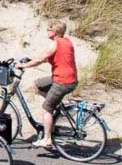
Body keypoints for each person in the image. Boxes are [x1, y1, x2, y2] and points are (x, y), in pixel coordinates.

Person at [15, 21, 78, 149]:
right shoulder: (67, 42)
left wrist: (23, 65)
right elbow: (45, 58)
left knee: (47, 108)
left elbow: (40, 59)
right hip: (69, 79)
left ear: (54, 31)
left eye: (48, 29)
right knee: (37, 85)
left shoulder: (55, 44)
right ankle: (55, 104)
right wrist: (30, 60)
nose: (47, 31)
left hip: (62, 81)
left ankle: (47, 139)